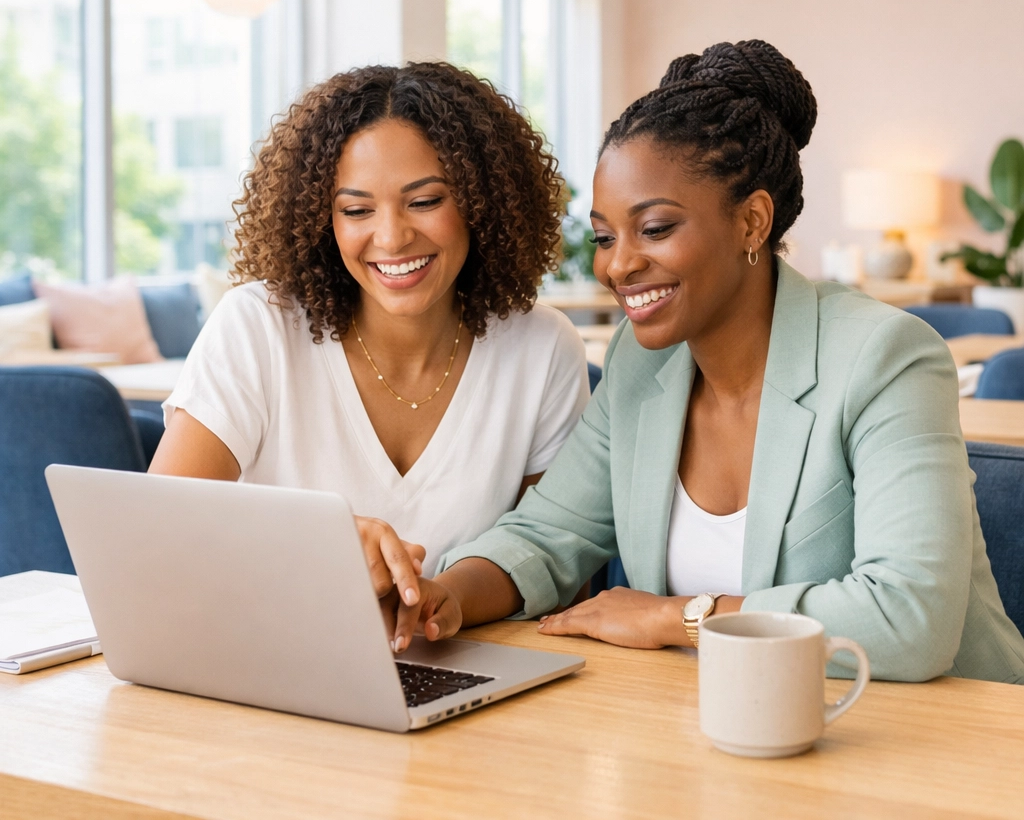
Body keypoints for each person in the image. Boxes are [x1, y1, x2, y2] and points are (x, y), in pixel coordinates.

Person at [386, 39, 1024, 683]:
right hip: (729, 717)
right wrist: (442, 597)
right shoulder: (641, 364)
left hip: (931, 727)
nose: (618, 264)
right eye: (604, 237)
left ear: (752, 222)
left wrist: (680, 618)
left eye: (655, 229)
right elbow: (547, 534)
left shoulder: (884, 357)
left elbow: (910, 621)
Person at [151, 62, 590, 632]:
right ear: (322, 220)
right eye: (356, 210)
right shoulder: (258, 326)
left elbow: (555, 563)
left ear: (482, 202)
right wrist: (314, 541)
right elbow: (157, 535)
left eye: (425, 201)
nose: (391, 237)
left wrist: (444, 599)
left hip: (461, 661)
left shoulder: (542, 347)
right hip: (275, 655)